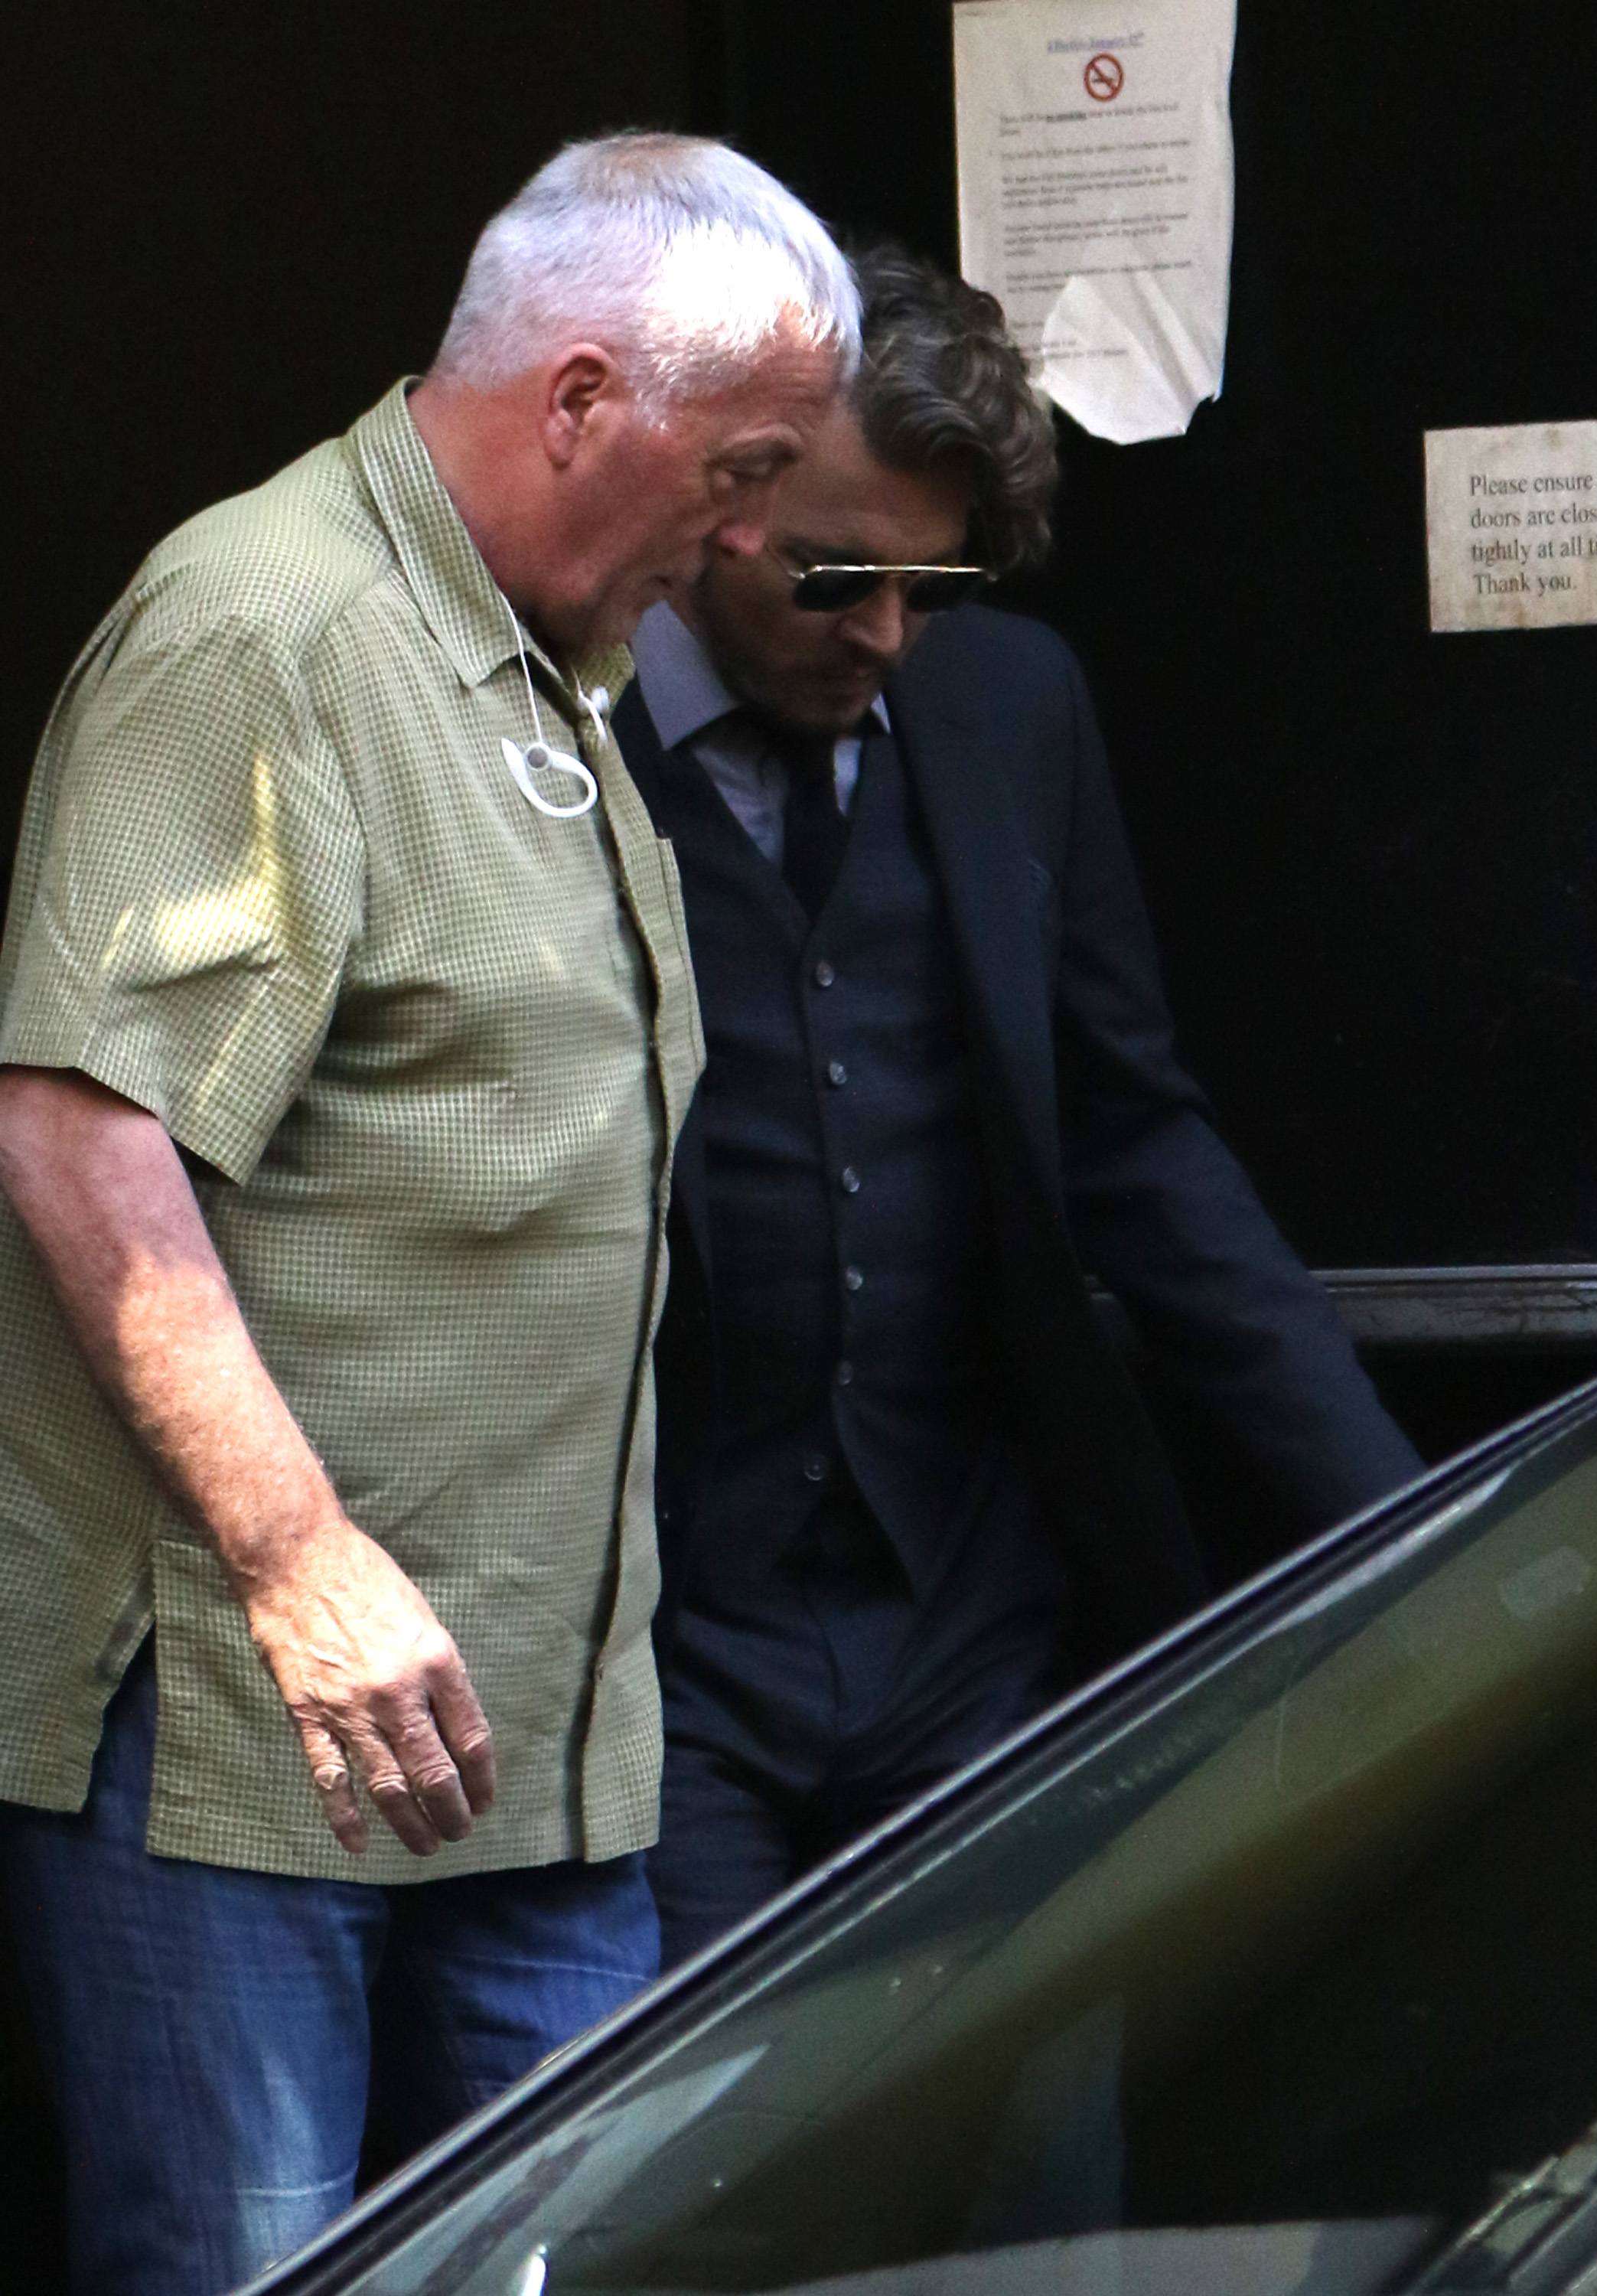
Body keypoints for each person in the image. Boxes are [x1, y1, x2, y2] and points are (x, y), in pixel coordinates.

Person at [0, 132, 857, 2296]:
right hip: (252, 1740)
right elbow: (79, 1129)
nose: (748, 534)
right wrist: (300, 1563)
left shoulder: (549, 657)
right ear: (578, 401)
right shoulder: (266, 630)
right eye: (741, 469)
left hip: (536, 1753)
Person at [614, 244, 1423, 1966]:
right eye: (840, 579)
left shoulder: (1009, 705)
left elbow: (1135, 1136)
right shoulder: (550, 725)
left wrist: (1396, 1520)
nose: (888, 636)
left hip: (971, 1620)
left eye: (936, 585)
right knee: (701, 2128)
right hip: (662, 1642)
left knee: (1020, 2105)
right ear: (718, 494)